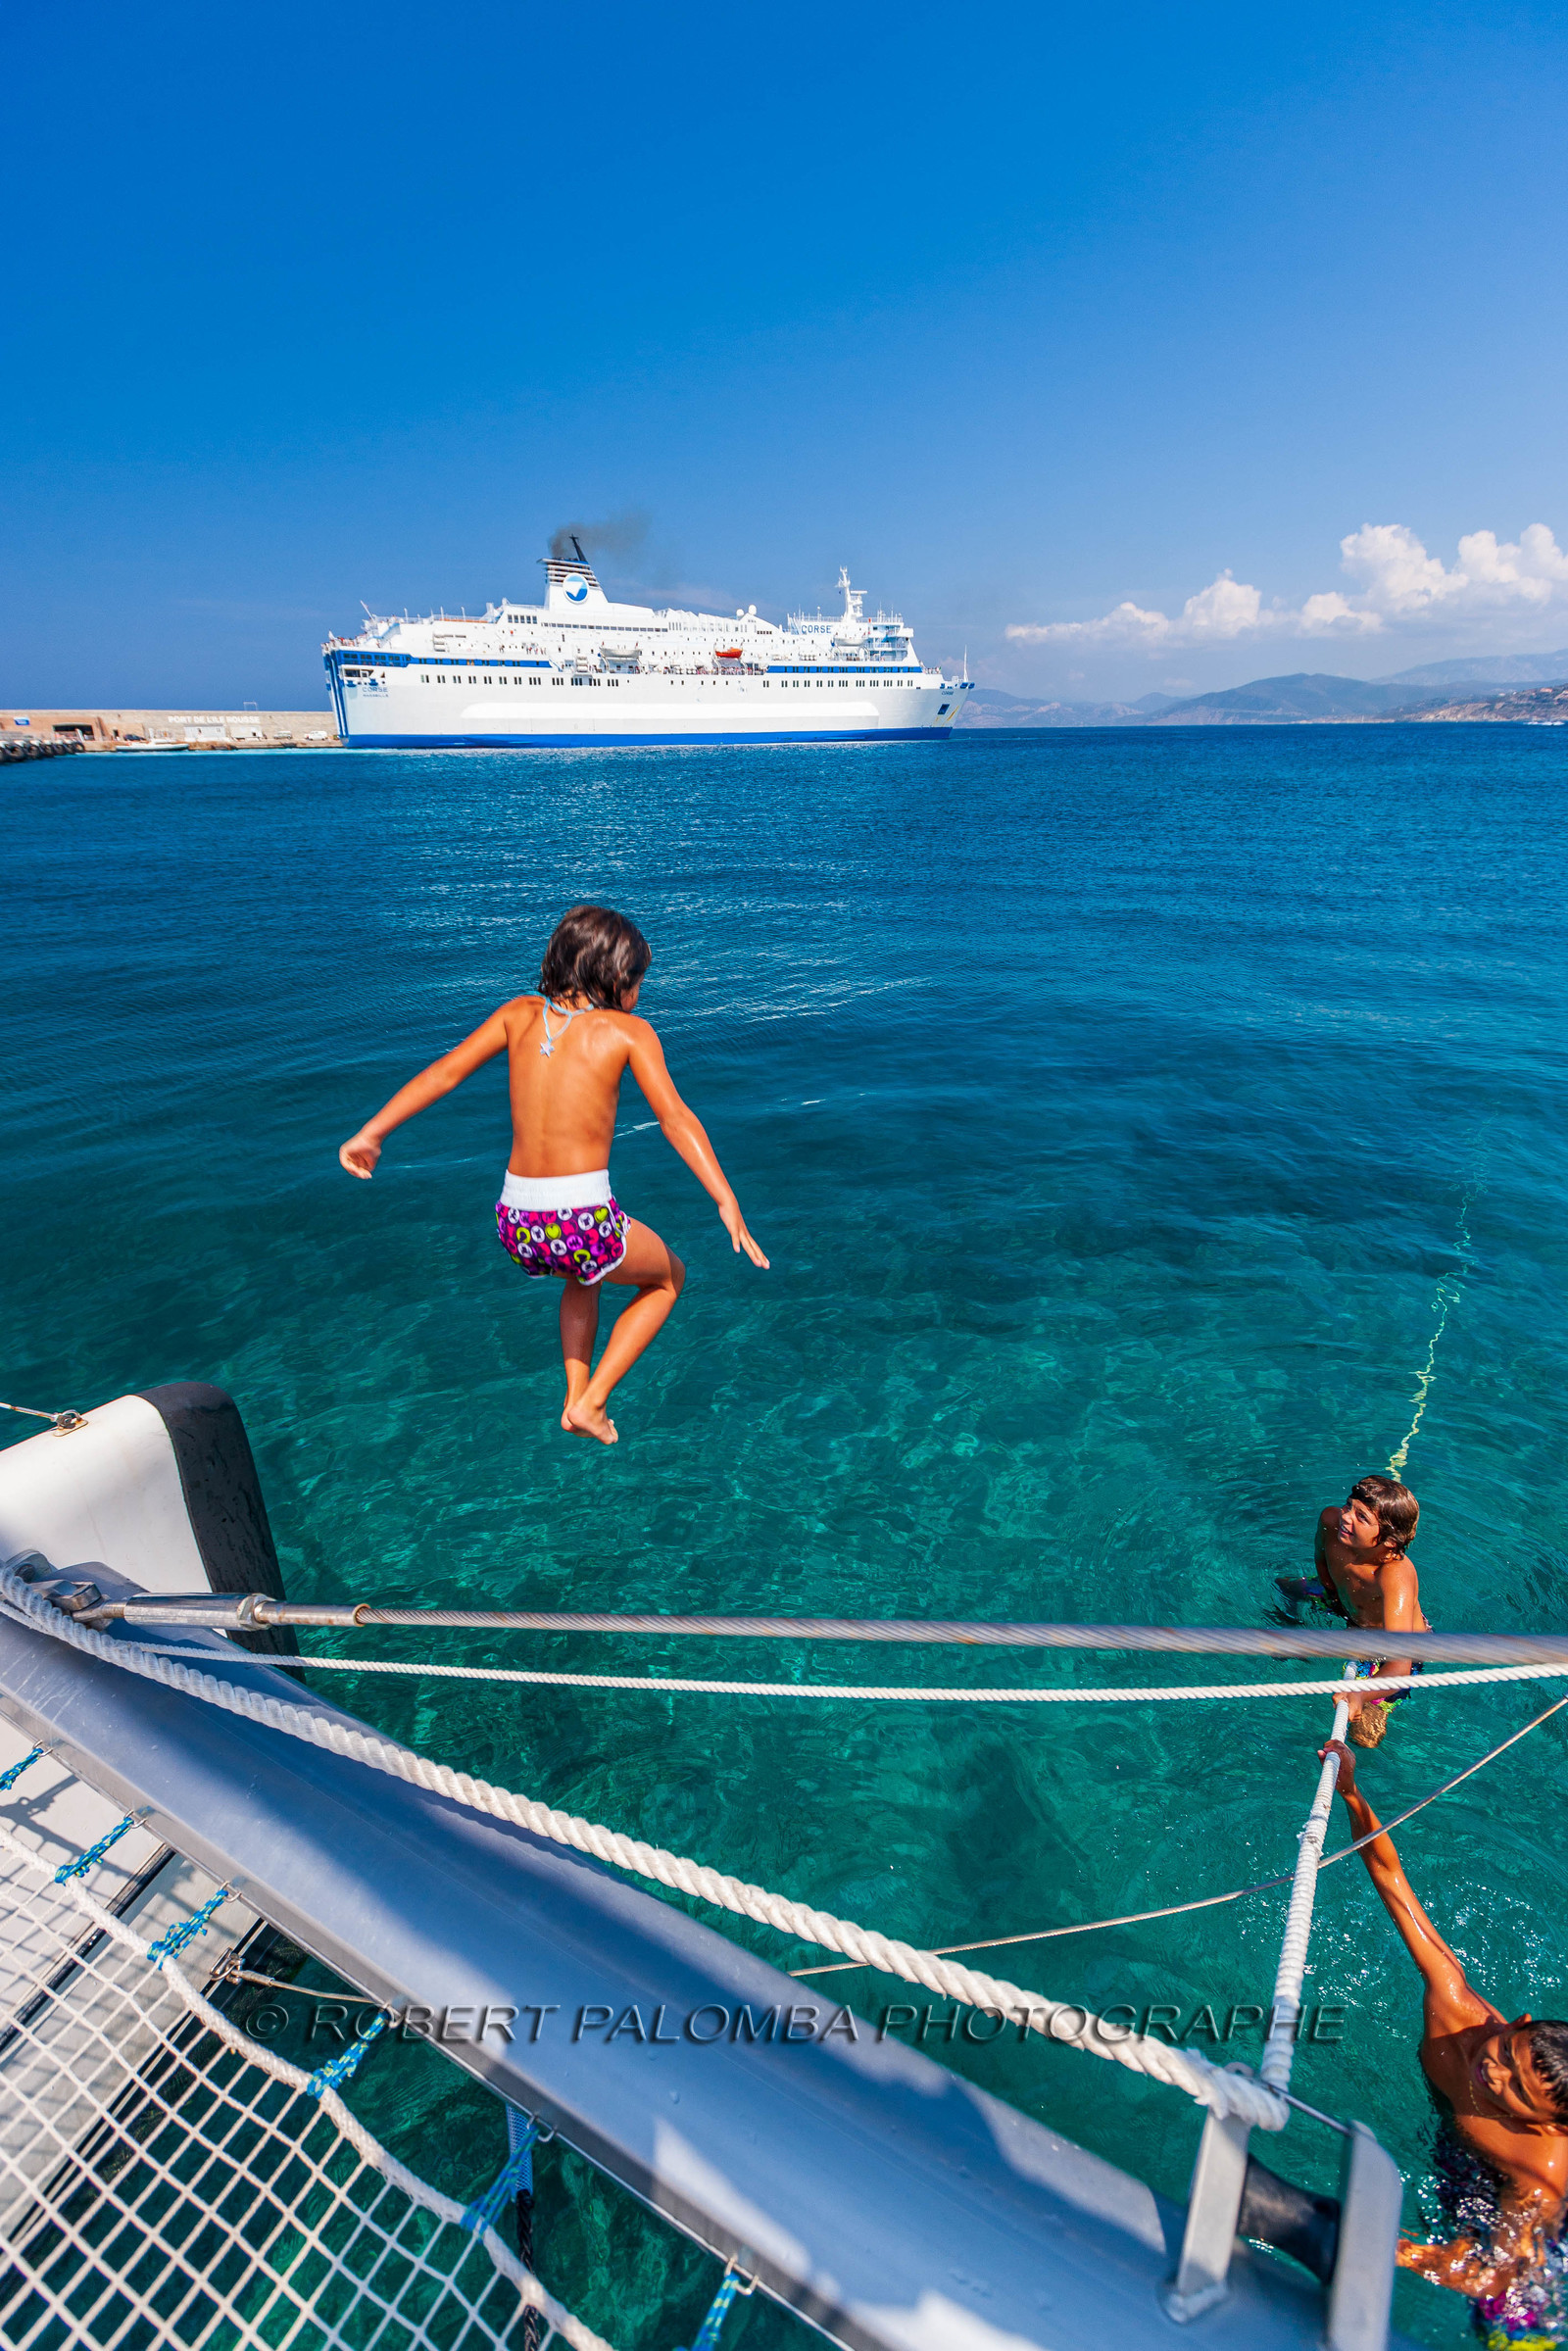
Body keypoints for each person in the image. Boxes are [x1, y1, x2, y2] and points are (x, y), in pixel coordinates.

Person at [338, 904, 767, 1444]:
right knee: (668, 1278)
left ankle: (573, 1401)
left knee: (582, 1277)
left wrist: (372, 1133)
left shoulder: (517, 1014)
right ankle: (594, 1399)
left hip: (517, 1222)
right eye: (638, 979)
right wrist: (725, 1199)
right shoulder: (628, 1031)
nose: (641, 992)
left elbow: (445, 1074)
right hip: (580, 1218)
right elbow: (674, 1118)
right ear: (613, 975)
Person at [1320, 1739, 1568, 2338]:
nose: (1493, 2072)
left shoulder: (1540, 2172)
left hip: (1505, 2196)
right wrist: (1352, 1792)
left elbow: (1496, 2276)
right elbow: (1393, 1882)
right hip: (1459, 2148)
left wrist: (1394, 2250)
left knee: (1508, 2318)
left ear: (1548, 2125)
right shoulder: (1456, 2008)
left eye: (1515, 2092)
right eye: (1506, 2052)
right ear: (1516, 2023)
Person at [1277, 1475, 1428, 1747]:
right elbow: (1323, 1566)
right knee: (1288, 1586)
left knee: (1364, 1736)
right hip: (1344, 1606)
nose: (1347, 1517)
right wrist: (1333, 1601)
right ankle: (1292, 1625)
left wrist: (1359, 1695)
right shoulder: (1330, 1522)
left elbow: (1399, 1666)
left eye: (1362, 1517)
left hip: (1390, 1647)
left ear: (1390, 1542)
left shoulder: (1394, 1574)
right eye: (1349, 1507)